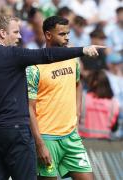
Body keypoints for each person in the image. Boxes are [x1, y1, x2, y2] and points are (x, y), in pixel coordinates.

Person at [0, 13, 103, 180]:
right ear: (3, 33)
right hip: (17, 130)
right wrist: (83, 50)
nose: (19, 36)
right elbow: (46, 55)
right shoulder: (12, 55)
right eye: (15, 32)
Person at [26, 16, 93, 180]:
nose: (67, 37)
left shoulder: (72, 58)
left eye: (68, 33)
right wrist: (39, 144)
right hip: (47, 138)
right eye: (62, 34)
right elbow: (29, 108)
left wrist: (77, 115)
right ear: (48, 35)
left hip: (71, 136)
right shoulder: (34, 66)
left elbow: (78, 85)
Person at [79, 70, 119, 139]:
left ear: (94, 83)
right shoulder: (113, 103)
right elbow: (114, 128)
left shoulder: (82, 98)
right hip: (104, 145)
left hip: (83, 142)